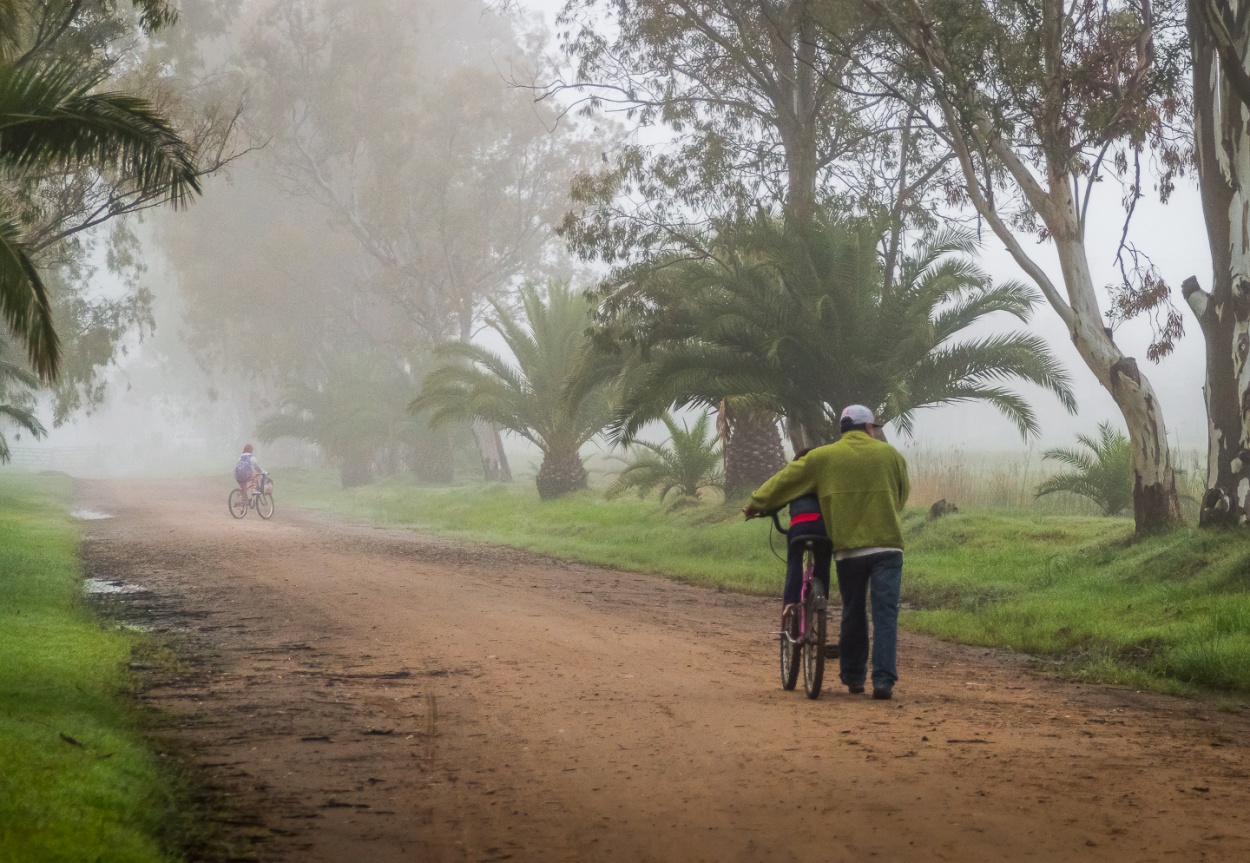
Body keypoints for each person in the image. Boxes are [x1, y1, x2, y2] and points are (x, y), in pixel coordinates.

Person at [743, 405, 909, 700]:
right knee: (885, 615)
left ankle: (854, 677)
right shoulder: (891, 455)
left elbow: (784, 480)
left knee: (853, 611)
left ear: (842, 430)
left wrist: (756, 503)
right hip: (887, 546)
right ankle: (883, 682)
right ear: (869, 428)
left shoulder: (823, 458)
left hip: (849, 550)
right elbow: (902, 493)